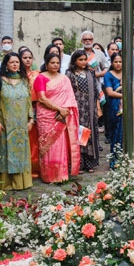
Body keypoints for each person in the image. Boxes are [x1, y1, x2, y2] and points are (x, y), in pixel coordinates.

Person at [0, 53, 34, 189]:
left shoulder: (24, 80)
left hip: (22, 124)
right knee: (4, 151)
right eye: (12, 62)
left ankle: (21, 183)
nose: (15, 64)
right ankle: (5, 183)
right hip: (5, 124)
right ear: (6, 64)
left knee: (22, 152)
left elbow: (29, 102)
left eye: (17, 62)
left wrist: (31, 120)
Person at [35, 53, 82, 183]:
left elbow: (70, 99)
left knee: (60, 145)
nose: (55, 65)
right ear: (46, 63)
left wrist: (64, 111)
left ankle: (61, 175)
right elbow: (41, 98)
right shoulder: (41, 78)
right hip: (46, 116)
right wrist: (59, 109)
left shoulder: (64, 79)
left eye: (57, 63)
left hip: (61, 116)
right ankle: (48, 175)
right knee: (47, 145)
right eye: (52, 63)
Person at [66, 50, 103, 173]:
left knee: (90, 134)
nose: (83, 62)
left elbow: (96, 91)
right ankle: (79, 163)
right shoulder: (70, 74)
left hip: (90, 108)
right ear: (74, 61)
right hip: (78, 108)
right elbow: (68, 92)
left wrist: (97, 107)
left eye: (84, 59)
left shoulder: (90, 73)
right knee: (80, 134)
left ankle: (89, 162)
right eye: (80, 60)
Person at [103, 53, 134, 166]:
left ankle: (128, 160)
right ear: (111, 63)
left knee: (128, 132)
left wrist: (130, 95)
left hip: (129, 107)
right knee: (116, 133)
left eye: (120, 61)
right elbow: (110, 92)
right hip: (115, 106)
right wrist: (126, 96)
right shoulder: (108, 75)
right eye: (116, 61)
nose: (118, 64)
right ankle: (115, 161)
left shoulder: (128, 73)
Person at [19, 48, 42, 177]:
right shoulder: (17, 76)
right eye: (25, 58)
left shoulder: (37, 74)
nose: (27, 60)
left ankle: (35, 166)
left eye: (29, 57)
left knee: (35, 137)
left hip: (36, 107)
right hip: (21, 109)